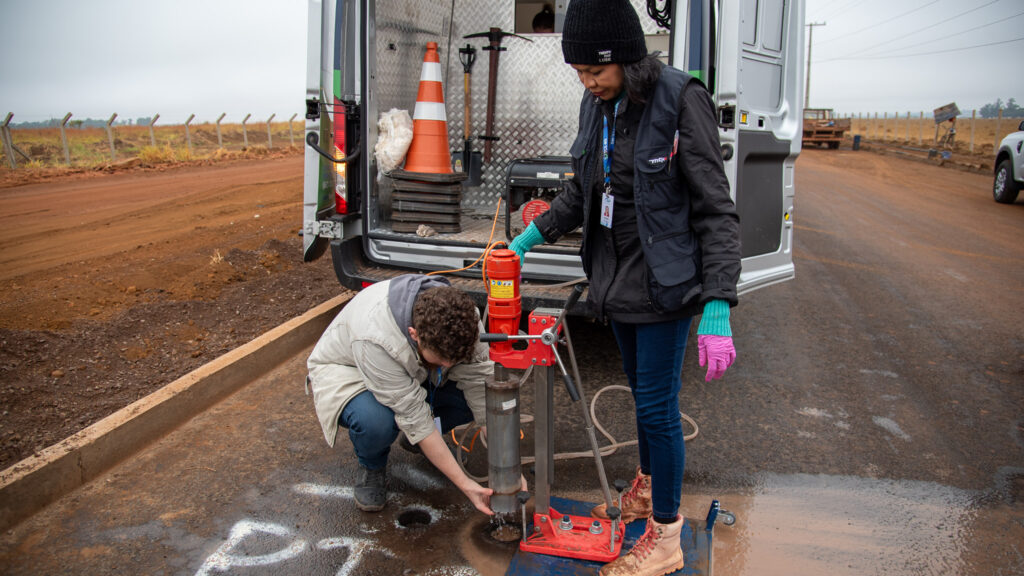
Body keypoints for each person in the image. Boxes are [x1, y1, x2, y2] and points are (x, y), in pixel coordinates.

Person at [508, 0, 741, 574]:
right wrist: (527, 240)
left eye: (596, 72)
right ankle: (648, 484)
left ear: (628, 60)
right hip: (616, 281)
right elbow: (581, 192)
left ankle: (664, 537)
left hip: (666, 283)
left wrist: (717, 302)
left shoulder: (681, 98)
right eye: (580, 74)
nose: (587, 84)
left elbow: (716, 209)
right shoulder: (597, 106)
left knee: (659, 408)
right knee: (642, 396)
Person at [306, 274, 496, 515]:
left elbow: (480, 384)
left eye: (453, 360)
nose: (448, 365)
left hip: (411, 368)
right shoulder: (374, 337)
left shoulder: (465, 319)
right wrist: (466, 485)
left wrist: (507, 467)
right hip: (351, 371)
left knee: (472, 395)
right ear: (414, 334)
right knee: (376, 422)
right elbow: (414, 416)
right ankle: (371, 467)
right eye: (442, 359)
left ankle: (420, 443)